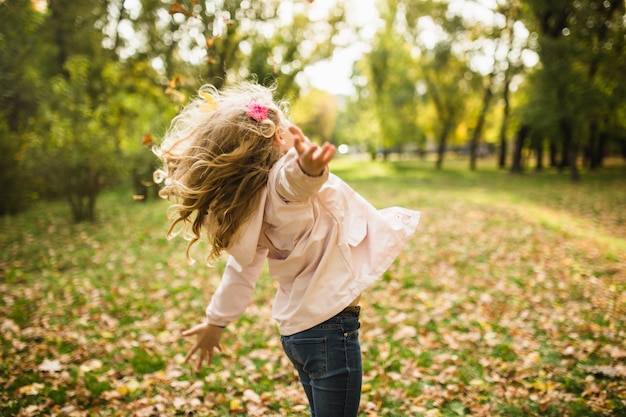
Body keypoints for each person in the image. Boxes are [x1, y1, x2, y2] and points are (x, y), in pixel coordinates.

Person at [154, 82, 420, 417]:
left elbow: (240, 272)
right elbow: (293, 181)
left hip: (298, 335)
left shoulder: (251, 208)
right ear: (280, 137)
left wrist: (216, 321)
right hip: (331, 331)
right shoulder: (283, 181)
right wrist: (309, 169)